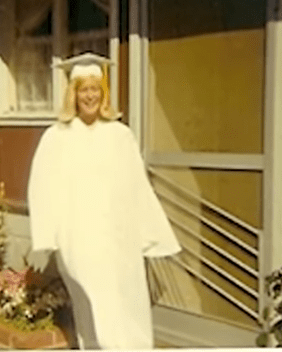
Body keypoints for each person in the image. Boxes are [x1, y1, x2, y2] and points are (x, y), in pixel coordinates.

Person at [28, 52, 181, 349]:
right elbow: (42, 187)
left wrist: (150, 234)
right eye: (84, 89)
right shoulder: (56, 137)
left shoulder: (120, 135)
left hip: (119, 238)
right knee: (93, 299)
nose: (90, 96)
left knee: (127, 302)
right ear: (73, 94)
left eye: (95, 89)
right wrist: (46, 235)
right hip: (79, 237)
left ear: (104, 93)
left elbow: (137, 187)